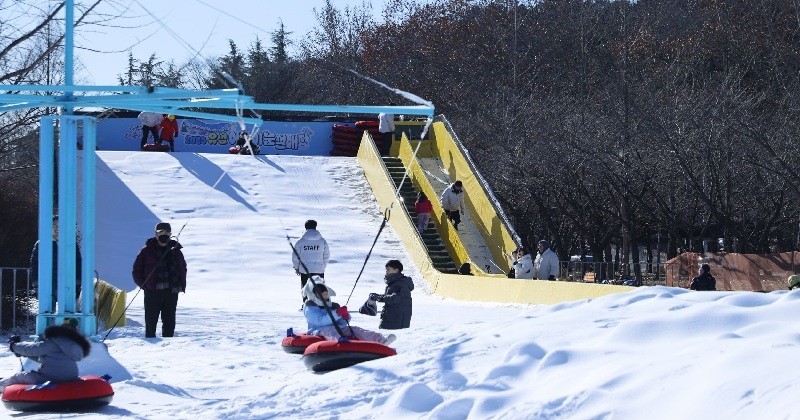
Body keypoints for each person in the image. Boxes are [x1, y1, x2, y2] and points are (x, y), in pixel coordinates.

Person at [132, 222, 187, 338]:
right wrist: (145, 286)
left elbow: (183, 267)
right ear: (156, 234)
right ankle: (150, 343)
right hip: (153, 291)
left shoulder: (176, 250)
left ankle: (168, 344)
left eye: (167, 232)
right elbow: (137, 271)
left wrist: (180, 284)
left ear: (170, 234)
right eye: (161, 232)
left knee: (169, 321)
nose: (164, 234)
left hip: (171, 291)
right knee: (151, 321)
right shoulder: (146, 251)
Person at [0, 322, 91, 389]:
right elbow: (49, 359)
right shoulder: (74, 347)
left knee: (19, 376)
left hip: (51, 378)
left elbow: (31, 349)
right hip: (71, 378)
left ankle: (1, 386)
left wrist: (14, 346)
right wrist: (24, 354)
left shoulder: (52, 343)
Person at [304, 282, 395, 345]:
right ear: (314, 296)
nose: (325, 296)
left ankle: (381, 339)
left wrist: (344, 316)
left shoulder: (333, 306)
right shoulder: (310, 307)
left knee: (355, 329)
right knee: (329, 330)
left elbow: (342, 323)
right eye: (321, 294)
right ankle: (340, 342)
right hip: (317, 330)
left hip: (336, 328)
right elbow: (321, 321)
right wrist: (337, 313)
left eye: (326, 293)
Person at [29, 214, 82, 311]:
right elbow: (34, 265)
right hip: (47, 285)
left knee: (66, 312)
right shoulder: (41, 244)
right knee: (47, 312)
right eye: (54, 225)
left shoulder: (71, 244)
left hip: (66, 284)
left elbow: (78, 264)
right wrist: (36, 285)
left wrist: (77, 284)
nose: (57, 229)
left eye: (59, 226)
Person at [292, 220, 330, 303]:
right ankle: (321, 305)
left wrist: (297, 268)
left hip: (305, 270)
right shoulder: (322, 241)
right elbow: (326, 255)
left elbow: (295, 256)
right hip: (319, 269)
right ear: (315, 227)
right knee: (320, 289)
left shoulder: (300, 242)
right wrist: (322, 266)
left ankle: (307, 305)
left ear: (306, 228)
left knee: (306, 289)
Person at [369, 260, 414, 330]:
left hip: (396, 320)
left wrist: (379, 298)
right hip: (392, 317)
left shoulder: (401, 283)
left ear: (396, 270)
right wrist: (378, 296)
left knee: (385, 335)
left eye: (388, 269)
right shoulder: (394, 282)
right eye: (386, 270)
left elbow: (395, 298)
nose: (386, 272)